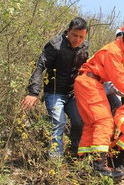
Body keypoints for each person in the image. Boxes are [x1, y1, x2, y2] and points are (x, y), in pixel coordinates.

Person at [74, 19, 124, 179]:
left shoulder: (119, 51)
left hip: (90, 82)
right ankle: (100, 167)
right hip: (90, 83)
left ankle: (85, 162)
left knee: (92, 124)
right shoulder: (114, 51)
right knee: (105, 121)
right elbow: (120, 81)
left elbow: (121, 73)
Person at [21, 17, 89, 157]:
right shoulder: (55, 45)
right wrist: (33, 93)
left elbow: (86, 69)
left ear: (85, 35)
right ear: (68, 31)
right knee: (59, 122)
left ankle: (75, 153)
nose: (77, 39)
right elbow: (40, 67)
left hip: (72, 93)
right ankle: (55, 159)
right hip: (54, 92)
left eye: (81, 37)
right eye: (74, 35)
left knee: (79, 121)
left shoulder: (84, 47)